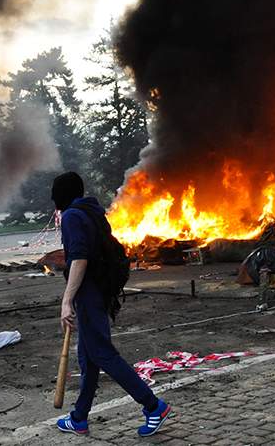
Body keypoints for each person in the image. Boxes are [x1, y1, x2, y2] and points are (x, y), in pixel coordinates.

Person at [52, 172, 171, 437]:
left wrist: (67, 300)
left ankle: (154, 406)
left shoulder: (72, 216)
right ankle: (79, 418)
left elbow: (80, 259)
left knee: (103, 354)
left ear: (61, 195)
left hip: (89, 294)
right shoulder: (92, 212)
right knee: (88, 358)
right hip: (100, 290)